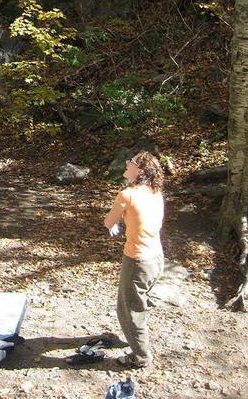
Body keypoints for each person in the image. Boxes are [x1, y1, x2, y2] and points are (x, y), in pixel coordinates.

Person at [104, 151, 164, 368]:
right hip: (157, 259)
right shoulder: (155, 192)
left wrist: (114, 223)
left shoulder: (127, 194)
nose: (126, 164)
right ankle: (132, 338)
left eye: (130, 162)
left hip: (138, 261)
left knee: (129, 311)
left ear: (139, 170)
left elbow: (108, 221)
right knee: (138, 305)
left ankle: (141, 356)